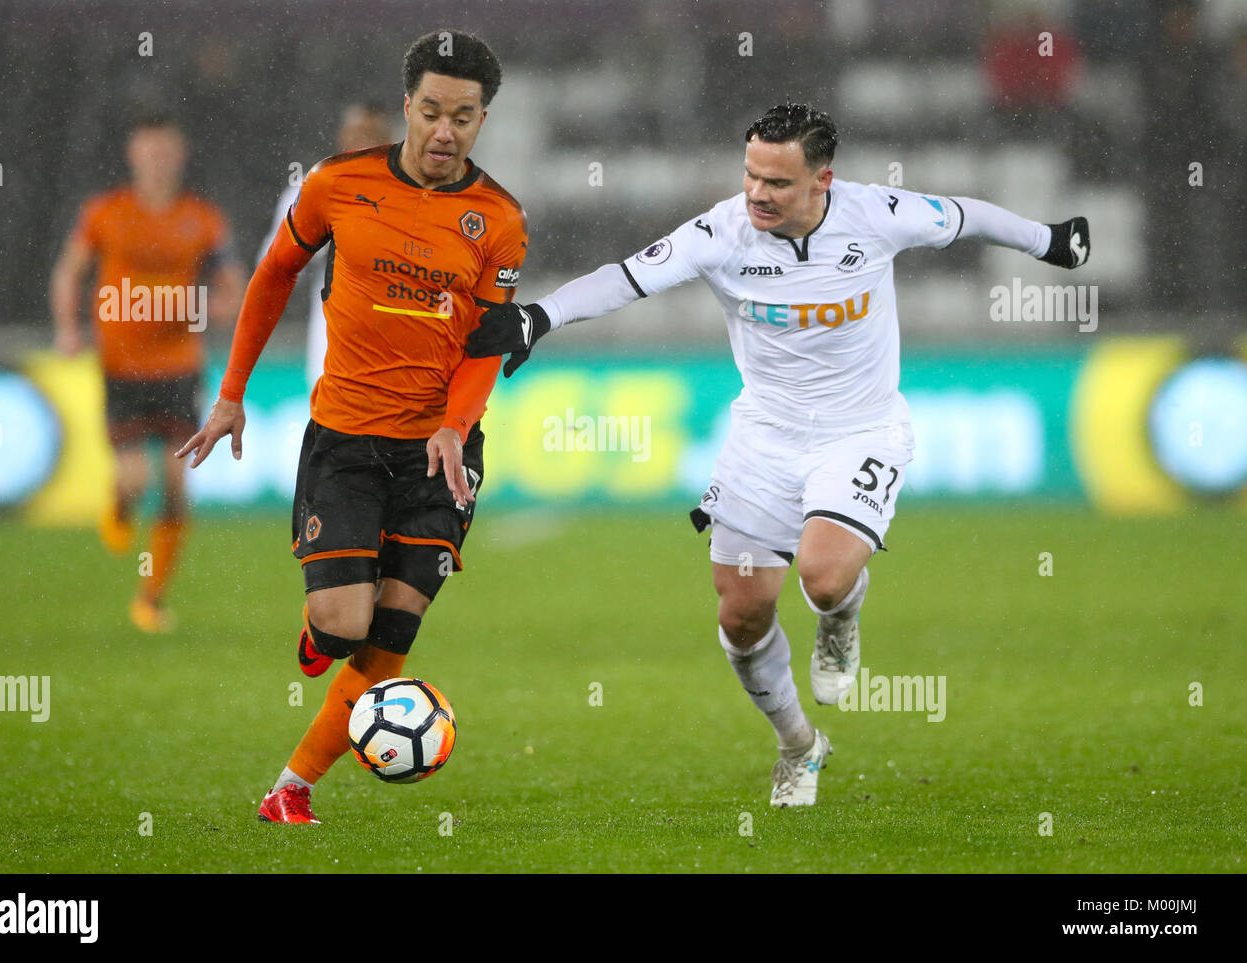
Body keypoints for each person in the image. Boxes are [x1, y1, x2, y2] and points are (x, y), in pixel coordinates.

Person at [467, 103, 1090, 807]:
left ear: (823, 179)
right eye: (751, 175)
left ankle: (841, 618)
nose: (757, 193)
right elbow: (626, 277)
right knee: (741, 612)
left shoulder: (879, 213)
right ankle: (799, 746)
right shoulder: (721, 231)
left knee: (822, 579)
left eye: (777, 182)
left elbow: (967, 215)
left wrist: (1050, 241)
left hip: (861, 429)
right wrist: (537, 317)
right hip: (764, 436)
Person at [176, 31, 528, 825]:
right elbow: (272, 274)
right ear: (406, 106)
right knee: (342, 626)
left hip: (441, 452)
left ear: (482, 119)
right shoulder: (340, 184)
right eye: (432, 111)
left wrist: (456, 423)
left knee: (390, 634)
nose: (446, 130)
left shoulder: (499, 219)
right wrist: (231, 392)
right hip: (347, 437)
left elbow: (489, 339)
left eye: (464, 117)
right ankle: (318, 628)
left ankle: (289, 788)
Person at [50, 112, 245, 633]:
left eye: (166, 151)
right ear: (134, 156)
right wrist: (68, 329)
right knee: (134, 479)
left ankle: (151, 599)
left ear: (179, 156)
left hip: (180, 365)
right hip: (121, 365)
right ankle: (119, 506)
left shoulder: (202, 219)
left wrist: (223, 306)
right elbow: (70, 271)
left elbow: (234, 285)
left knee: (179, 485)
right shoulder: (105, 213)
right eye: (149, 151)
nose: (158, 160)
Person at [258, 103, 392, 389]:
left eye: (375, 134)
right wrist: (316, 240)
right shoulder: (313, 189)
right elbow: (270, 268)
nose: (366, 143)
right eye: (359, 134)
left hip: (392, 351)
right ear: (343, 137)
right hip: (330, 350)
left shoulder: (411, 199)